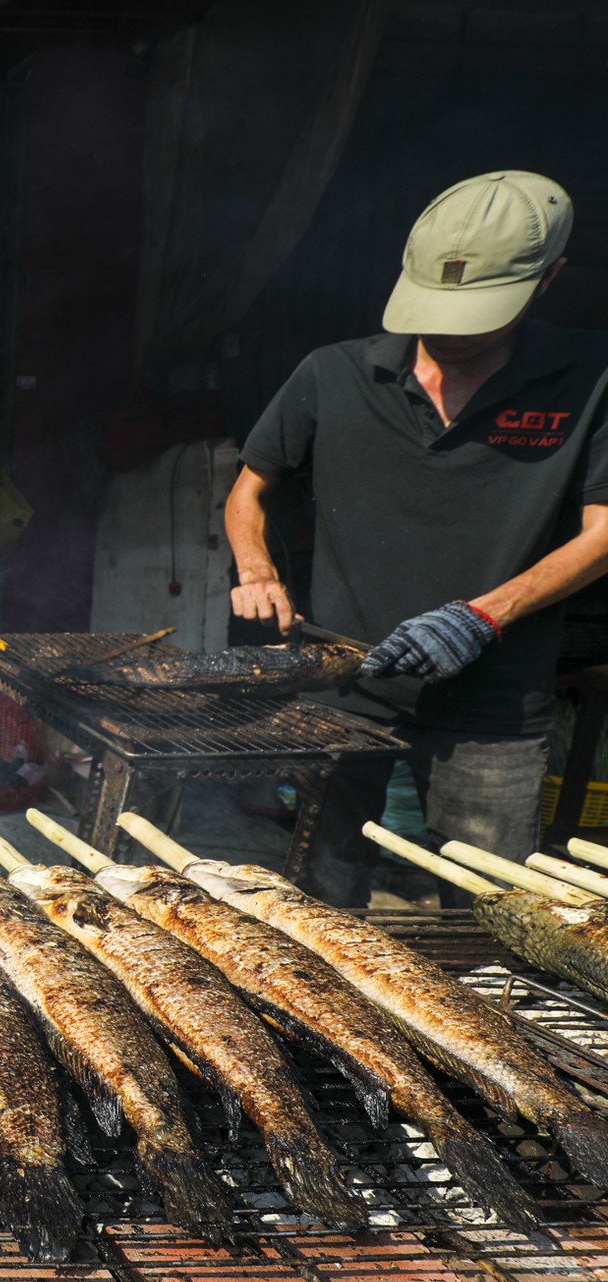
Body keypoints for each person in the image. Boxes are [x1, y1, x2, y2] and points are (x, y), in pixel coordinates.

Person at [227, 171, 608, 907]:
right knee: (318, 903)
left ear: (549, 280)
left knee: (494, 912)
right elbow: (251, 486)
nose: (453, 330)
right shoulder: (332, 374)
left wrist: (481, 616)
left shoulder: (589, 380)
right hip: (346, 684)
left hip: (494, 704)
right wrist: (257, 567)